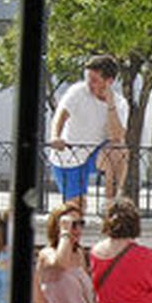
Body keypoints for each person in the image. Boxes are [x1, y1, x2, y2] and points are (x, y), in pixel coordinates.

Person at [47, 55, 129, 209]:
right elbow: (61, 115)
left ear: (109, 81)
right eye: (87, 78)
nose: (88, 84)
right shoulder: (78, 91)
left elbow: (117, 137)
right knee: (76, 209)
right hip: (69, 156)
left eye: (94, 80)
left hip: (94, 154)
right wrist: (55, 137)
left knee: (118, 150)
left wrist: (110, 104)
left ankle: (111, 204)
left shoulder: (120, 104)